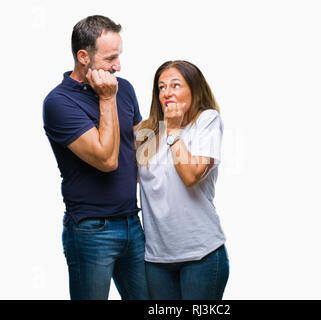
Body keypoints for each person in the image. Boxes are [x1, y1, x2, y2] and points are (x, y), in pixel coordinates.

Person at [42, 15, 149, 300]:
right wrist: (106, 99)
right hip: (91, 230)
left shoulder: (123, 87)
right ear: (83, 56)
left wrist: (176, 124)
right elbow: (106, 159)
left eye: (119, 56)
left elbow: (143, 144)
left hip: (132, 222)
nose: (118, 65)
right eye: (110, 58)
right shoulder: (59, 103)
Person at [135, 60, 229, 299]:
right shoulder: (148, 132)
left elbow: (190, 176)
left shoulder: (207, 121)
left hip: (201, 255)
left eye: (175, 85)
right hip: (156, 258)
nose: (167, 92)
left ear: (194, 89)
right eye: (162, 87)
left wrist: (174, 131)